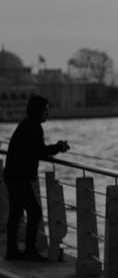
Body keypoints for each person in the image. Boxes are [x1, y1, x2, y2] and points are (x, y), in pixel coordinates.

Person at [3, 94, 70, 261]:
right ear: (38, 111)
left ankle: (12, 251)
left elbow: (34, 150)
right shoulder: (34, 127)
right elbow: (40, 151)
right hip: (19, 177)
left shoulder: (26, 125)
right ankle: (29, 250)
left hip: (12, 174)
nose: (48, 113)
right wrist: (59, 147)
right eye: (46, 109)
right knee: (34, 212)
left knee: (16, 212)